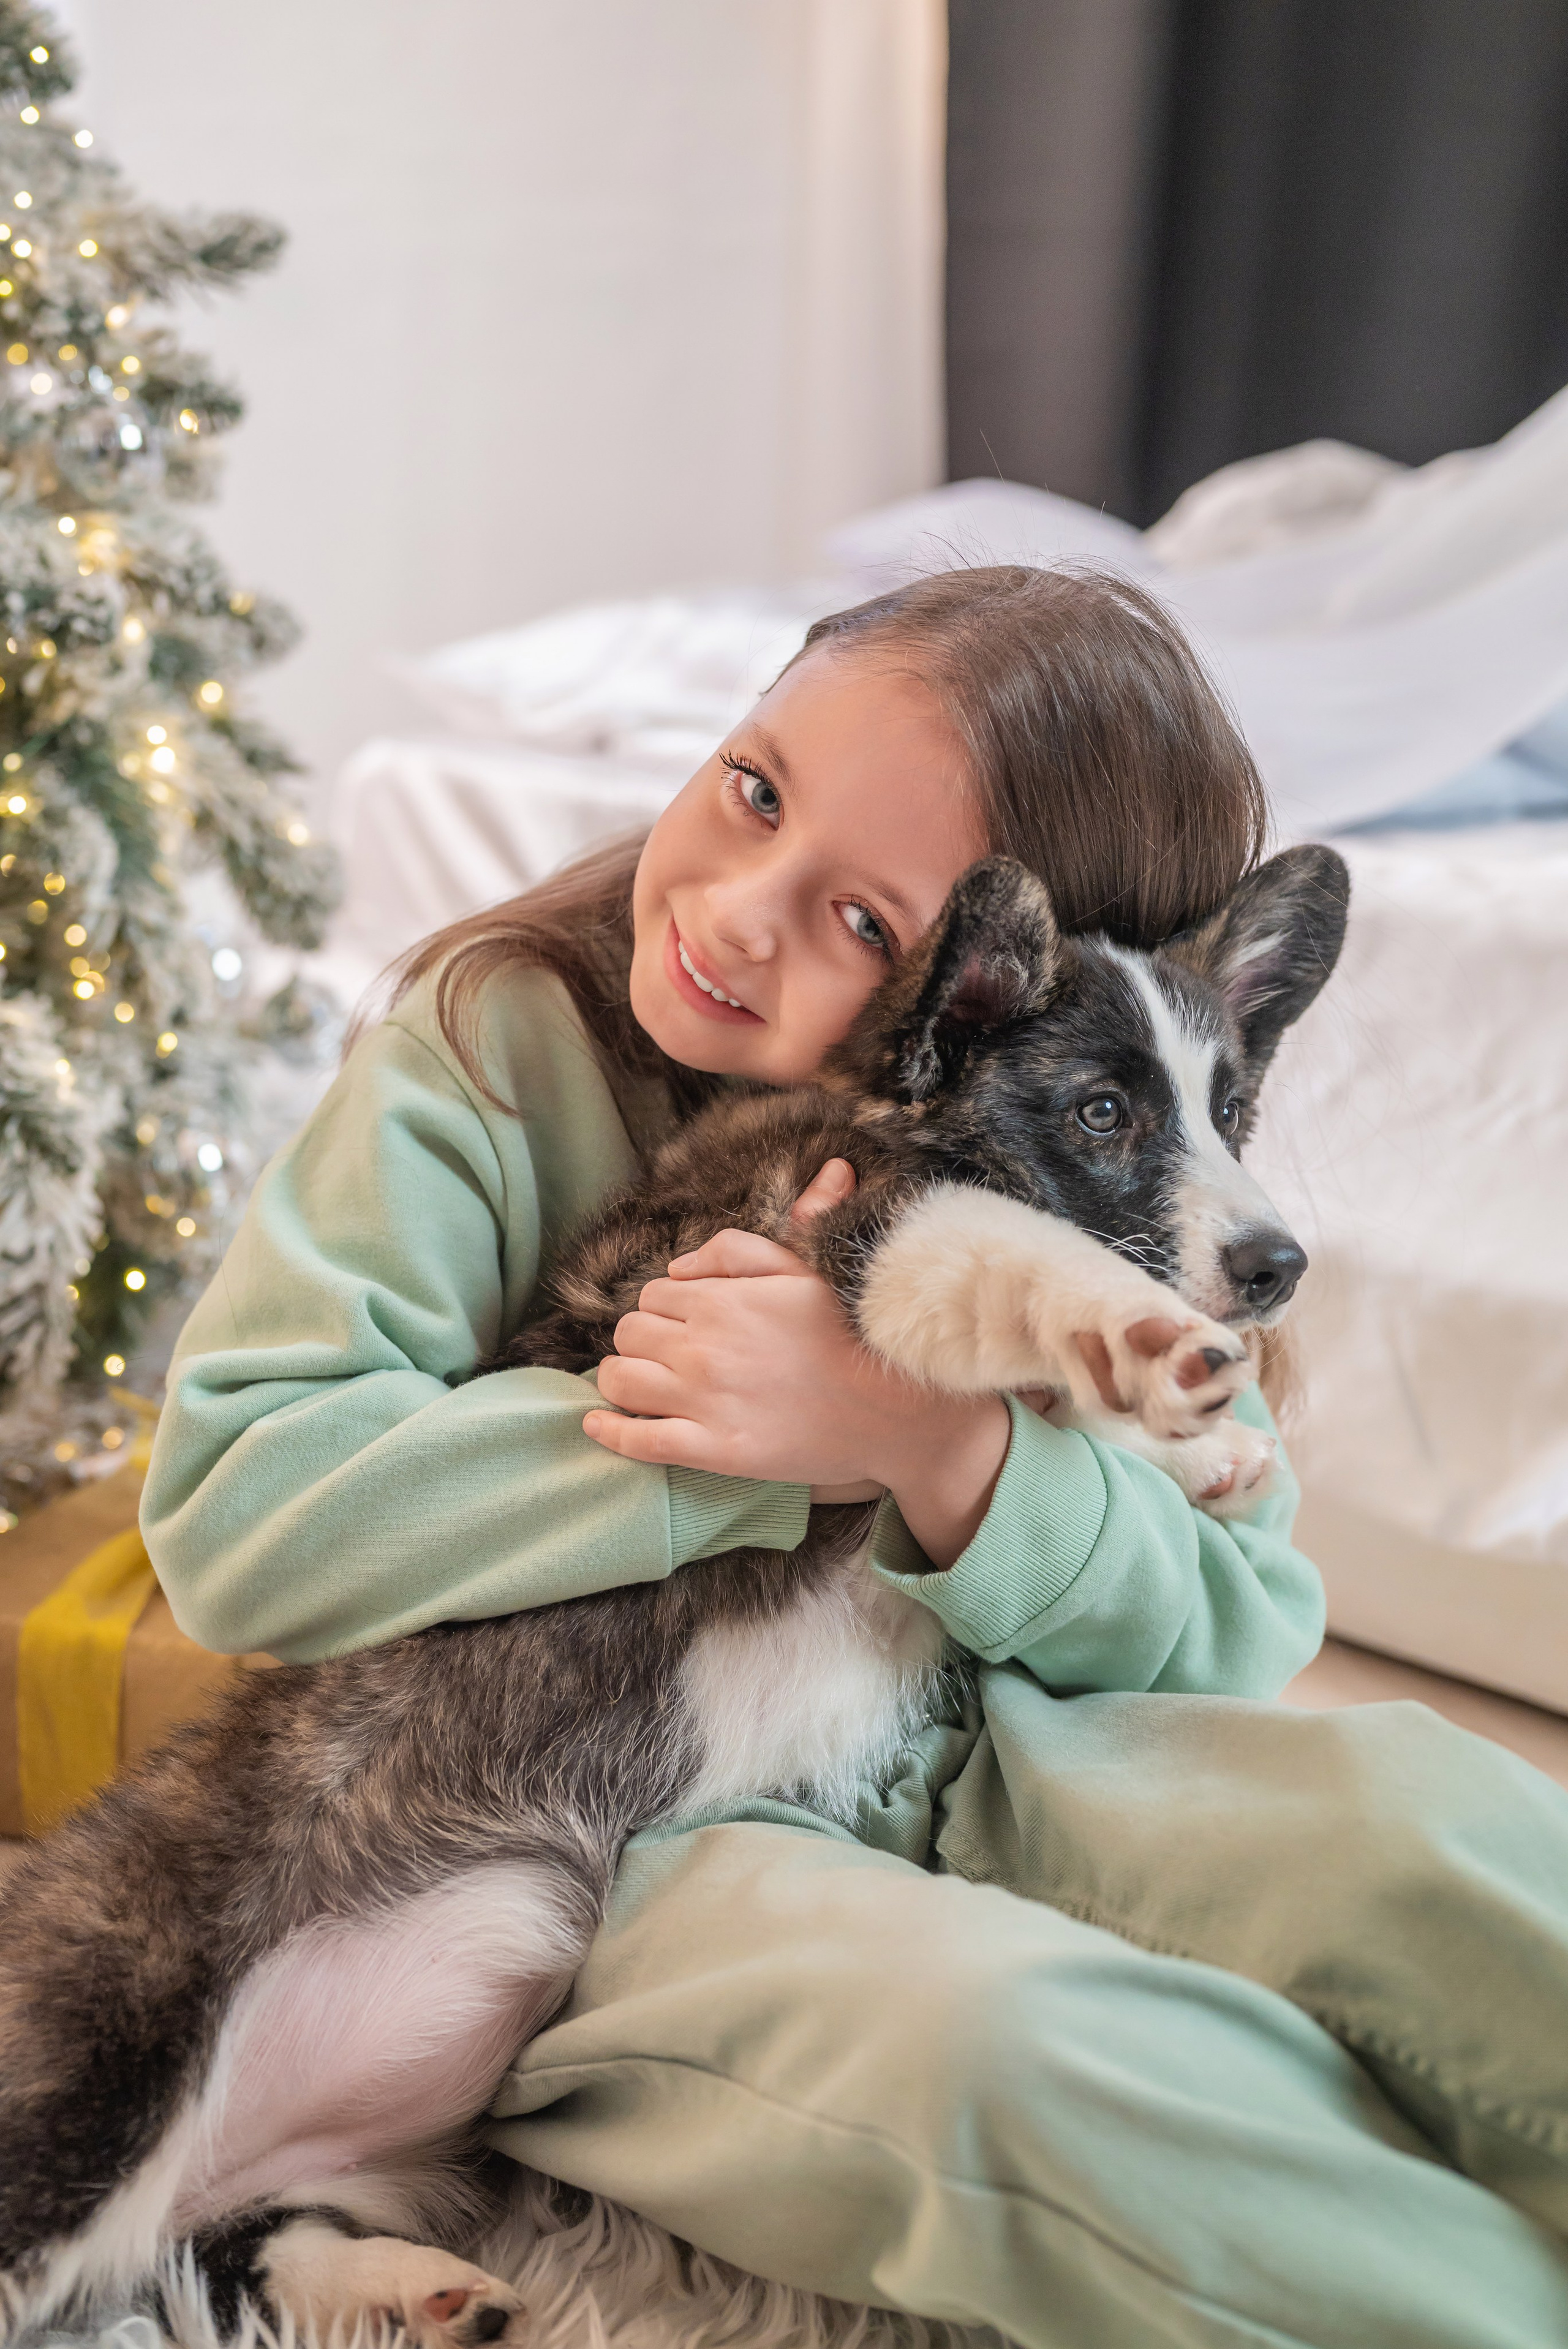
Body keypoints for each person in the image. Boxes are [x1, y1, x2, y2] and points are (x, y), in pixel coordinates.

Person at [142, 568, 1568, 2348]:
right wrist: (748, 1448)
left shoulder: (1091, 1182)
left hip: (1029, 1757)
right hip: (642, 1837)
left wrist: (935, 1440)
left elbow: (1242, 1628)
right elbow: (240, 1508)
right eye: (752, 787)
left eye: (866, 925)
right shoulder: (495, 1053)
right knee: (1017, 2052)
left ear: (1020, 1000)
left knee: (1432, 1827)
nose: (743, 913)